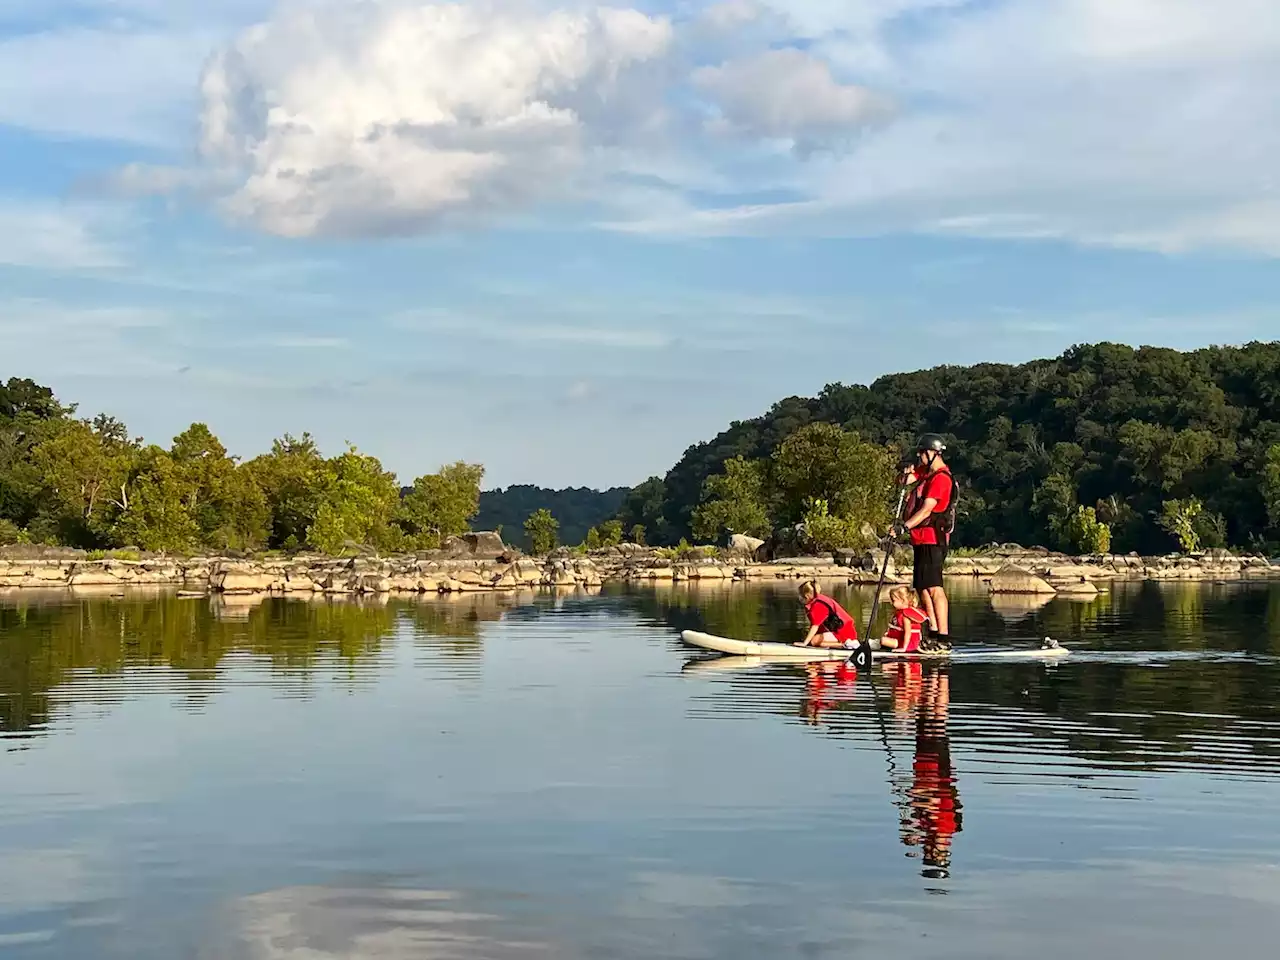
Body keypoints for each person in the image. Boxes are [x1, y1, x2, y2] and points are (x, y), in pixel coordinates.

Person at [899, 434, 955, 644]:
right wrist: (905, 472)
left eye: (922, 453)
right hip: (920, 538)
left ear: (933, 453)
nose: (920, 457)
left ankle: (943, 635)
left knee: (934, 587)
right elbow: (906, 480)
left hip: (933, 538)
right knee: (922, 587)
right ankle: (932, 630)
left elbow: (926, 510)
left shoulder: (941, 478)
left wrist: (903, 527)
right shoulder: (927, 474)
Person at [794, 580, 860, 648]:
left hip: (844, 633)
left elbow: (815, 626)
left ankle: (848, 644)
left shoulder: (818, 604)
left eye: (800, 595)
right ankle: (843, 645)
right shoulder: (815, 602)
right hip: (838, 632)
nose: (800, 598)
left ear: (807, 596)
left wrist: (805, 643)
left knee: (814, 640)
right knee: (816, 642)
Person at [876, 586, 929, 653]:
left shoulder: (905, 615)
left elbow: (908, 632)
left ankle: (875, 645)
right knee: (884, 639)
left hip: (908, 643)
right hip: (901, 640)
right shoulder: (899, 612)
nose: (891, 603)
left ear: (902, 601)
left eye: (893, 600)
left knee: (883, 640)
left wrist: (904, 648)